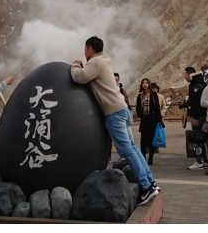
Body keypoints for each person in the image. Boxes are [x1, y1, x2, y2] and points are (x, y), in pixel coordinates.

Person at [70, 36, 158, 205]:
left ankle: (146, 188)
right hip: (122, 109)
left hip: (114, 113)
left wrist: (75, 65)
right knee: (133, 148)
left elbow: (79, 77)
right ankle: (151, 182)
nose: (84, 52)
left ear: (90, 49)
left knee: (127, 151)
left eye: (85, 49)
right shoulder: (104, 60)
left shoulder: (95, 62)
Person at [184, 66, 208, 169]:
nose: (185, 77)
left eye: (185, 74)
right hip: (203, 116)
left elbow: (196, 103)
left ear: (190, 75)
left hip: (198, 117)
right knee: (204, 138)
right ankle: (206, 160)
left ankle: (200, 161)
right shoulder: (202, 83)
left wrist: (194, 117)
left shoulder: (195, 86)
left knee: (197, 138)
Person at [134, 77, 163, 165]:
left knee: (151, 140)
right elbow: (138, 108)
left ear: (149, 84)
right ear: (142, 85)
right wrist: (141, 115)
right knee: (143, 139)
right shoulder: (140, 95)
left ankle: (151, 157)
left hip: (152, 120)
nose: (145, 84)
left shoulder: (153, 95)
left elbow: (157, 108)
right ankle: (143, 157)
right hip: (144, 120)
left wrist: (158, 119)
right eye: (143, 83)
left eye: (146, 83)